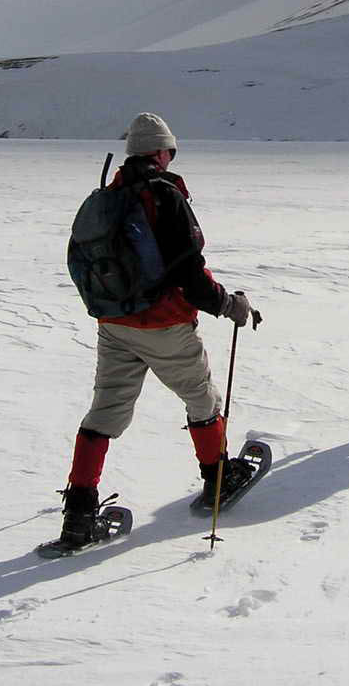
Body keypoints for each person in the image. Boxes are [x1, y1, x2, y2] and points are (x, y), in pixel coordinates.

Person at [53, 112, 257, 551]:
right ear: (163, 152)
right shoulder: (163, 196)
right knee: (201, 398)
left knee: (104, 412)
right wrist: (229, 304)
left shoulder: (112, 193)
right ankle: (217, 478)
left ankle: (78, 515)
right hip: (163, 323)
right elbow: (188, 271)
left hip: (113, 322)